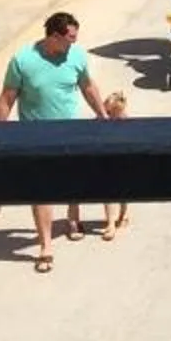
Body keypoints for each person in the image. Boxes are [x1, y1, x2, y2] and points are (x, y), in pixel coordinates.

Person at [0, 10, 112, 274]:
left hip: (71, 133)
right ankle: (46, 246)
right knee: (42, 190)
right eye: (70, 38)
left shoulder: (76, 56)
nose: (74, 43)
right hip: (36, 138)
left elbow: (87, 86)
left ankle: (73, 218)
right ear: (54, 36)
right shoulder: (23, 60)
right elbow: (7, 99)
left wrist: (103, 115)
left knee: (72, 179)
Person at [67, 87, 132, 241]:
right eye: (104, 111)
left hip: (117, 163)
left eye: (110, 113)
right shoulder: (97, 121)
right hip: (98, 161)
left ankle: (116, 219)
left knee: (119, 191)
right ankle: (76, 222)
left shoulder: (124, 125)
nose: (105, 115)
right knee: (79, 189)